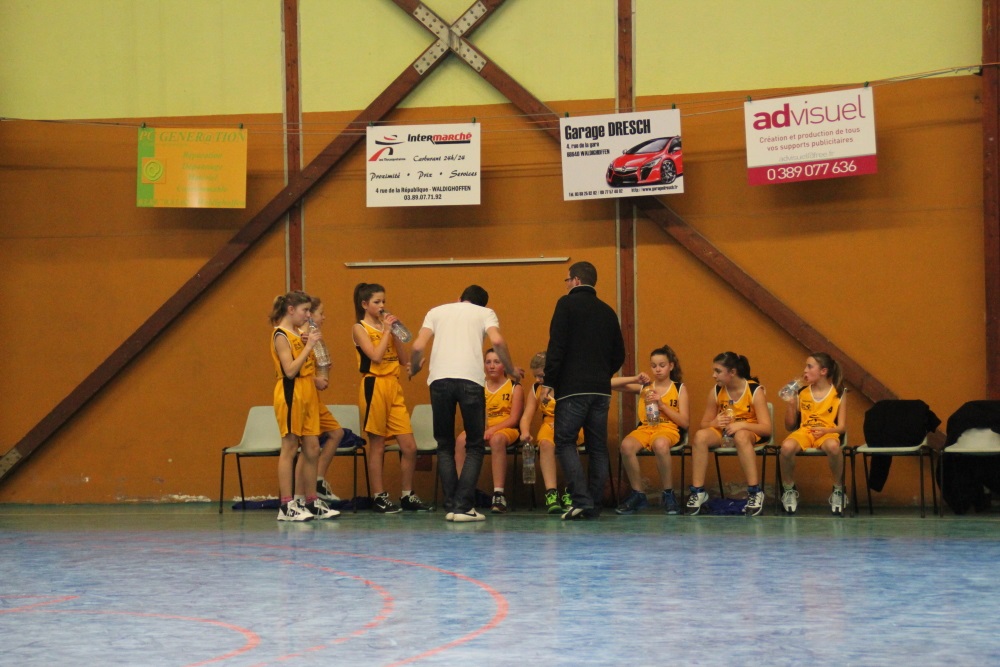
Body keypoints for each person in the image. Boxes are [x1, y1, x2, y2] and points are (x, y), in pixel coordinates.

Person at [409, 285, 521, 523]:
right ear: (482, 304)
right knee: (475, 445)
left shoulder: (436, 311)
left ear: (459, 298)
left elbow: (417, 346)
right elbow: (497, 340)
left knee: (444, 445)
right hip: (470, 381)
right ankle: (464, 506)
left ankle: (451, 505)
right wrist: (510, 369)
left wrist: (415, 367)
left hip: (439, 381)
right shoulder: (485, 313)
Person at [542, 261, 626, 520]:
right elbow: (619, 354)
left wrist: (549, 381)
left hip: (572, 389)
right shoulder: (608, 311)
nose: (566, 284)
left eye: (567, 280)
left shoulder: (566, 304)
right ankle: (594, 504)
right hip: (601, 391)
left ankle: (581, 499)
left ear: (576, 280)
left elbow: (556, 346)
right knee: (598, 447)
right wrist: (601, 374)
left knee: (565, 441)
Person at [352, 283, 431, 513]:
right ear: (365, 304)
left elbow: (403, 360)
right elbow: (376, 357)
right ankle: (378, 496)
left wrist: (413, 362)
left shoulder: (387, 327)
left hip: (393, 386)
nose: (382, 306)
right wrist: (387, 331)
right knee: (377, 445)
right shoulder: (359, 328)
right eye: (377, 302)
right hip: (374, 385)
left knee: (409, 446)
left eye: (383, 301)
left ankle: (407, 495)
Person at [269, 290, 338, 521]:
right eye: (305, 310)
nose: (308, 315)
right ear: (291, 310)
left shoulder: (299, 334)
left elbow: (307, 364)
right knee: (289, 447)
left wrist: (316, 368)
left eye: (310, 310)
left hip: (307, 392)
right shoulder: (281, 335)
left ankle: (311, 501)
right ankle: (286, 505)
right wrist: (308, 347)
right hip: (291, 393)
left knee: (312, 448)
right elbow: (289, 370)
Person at [686, 351, 772, 516]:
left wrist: (742, 425)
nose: (713, 375)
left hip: (749, 432)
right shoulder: (716, 391)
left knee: (741, 436)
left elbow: (766, 428)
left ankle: (755, 491)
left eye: (718, 371)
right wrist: (714, 423)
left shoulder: (755, 390)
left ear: (732, 372)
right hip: (724, 433)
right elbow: (704, 424)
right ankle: (698, 491)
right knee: (700, 436)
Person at [613, 345, 690, 515]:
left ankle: (668, 494)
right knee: (626, 446)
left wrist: (662, 405)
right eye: (654, 366)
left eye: (662, 365)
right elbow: (609, 384)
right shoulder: (645, 388)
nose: (658, 369)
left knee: (660, 445)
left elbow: (684, 423)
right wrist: (635, 378)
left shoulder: (679, 388)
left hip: (668, 429)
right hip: (646, 428)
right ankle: (638, 494)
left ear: (671, 366)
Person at [777, 352, 848, 515]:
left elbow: (842, 428)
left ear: (823, 371)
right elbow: (789, 426)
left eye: (810, 367)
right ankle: (789, 489)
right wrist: (791, 404)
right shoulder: (802, 392)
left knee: (833, 447)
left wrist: (826, 430)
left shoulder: (839, 392)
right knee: (786, 448)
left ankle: (838, 489)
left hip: (827, 432)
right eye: (805, 366)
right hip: (805, 431)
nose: (805, 370)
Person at [455, 349, 524, 513]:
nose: (492, 366)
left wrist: (493, 429)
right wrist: (482, 429)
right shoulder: (479, 386)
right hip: (482, 427)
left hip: (506, 429)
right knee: (461, 440)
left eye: (496, 362)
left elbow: (514, 419)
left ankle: (499, 495)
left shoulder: (514, 387)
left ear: (504, 365)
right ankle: (463, 491)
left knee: (496, 439)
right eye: (488, 362)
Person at [518, 352, 582, 514]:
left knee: (568, 444)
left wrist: (563, 423)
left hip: (571, 423)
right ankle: (551, 493)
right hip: (548, 424)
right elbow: (526, 416)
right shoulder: (536, 388)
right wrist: (524, 432)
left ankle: (571, 491)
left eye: (541, 376)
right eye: (535, 376)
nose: (538, 379)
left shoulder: (569, 384)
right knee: (545, 444)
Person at [300, 296, 345, 504]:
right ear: (309, 315)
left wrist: (323, 369)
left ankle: (317, 480)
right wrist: (315, 379)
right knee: (307, 447)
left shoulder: (314, 337)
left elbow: (316, 364)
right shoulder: (301, 337)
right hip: (304, 398)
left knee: (336, 433)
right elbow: (293, 371)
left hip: (314, 398)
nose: (324, 317)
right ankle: (300, 496)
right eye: (321, 313)